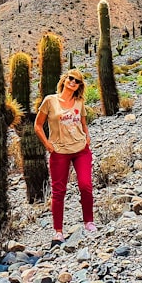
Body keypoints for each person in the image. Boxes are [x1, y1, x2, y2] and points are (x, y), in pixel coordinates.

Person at [34, 68, 95, 246]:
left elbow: (83, 123)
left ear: (79, 86)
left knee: (85, 185)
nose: (73, 82)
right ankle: (58, 232)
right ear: (64, 79)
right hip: (59, 152)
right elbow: (38, 125)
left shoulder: (79, 102)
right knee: (59, 191)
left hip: (80, 150)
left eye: (77, 81)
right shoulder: (50, 101)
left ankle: (89, 222)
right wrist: (47, 144)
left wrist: (87, 138)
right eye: (71, 78)